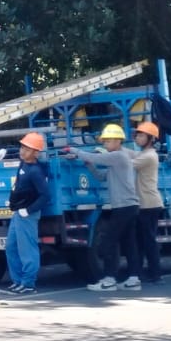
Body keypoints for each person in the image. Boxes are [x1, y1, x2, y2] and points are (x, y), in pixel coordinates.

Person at [63, 123, 141, 292]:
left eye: (107, 141)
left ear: (117, 141)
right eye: (104, 141)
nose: (105, 144)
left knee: (108, 241)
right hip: (128, 206)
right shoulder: (116, 162)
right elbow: (100, 176)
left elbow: (97, 158)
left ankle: (109, 280)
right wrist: (87, 164)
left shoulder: (119, 156)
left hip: (124, 207)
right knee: (129, 243)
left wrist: (75, 151)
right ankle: (133, 279)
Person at [2, 131, 51, 295]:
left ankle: (28, 284)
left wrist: (28, 210)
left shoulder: (35, 171)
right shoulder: (23, 164)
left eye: (27, 149)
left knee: (27, 250)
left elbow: (45, 196)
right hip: (18, 213)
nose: (23, 151)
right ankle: (18, 281)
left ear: (36, 152)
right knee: (11, 247)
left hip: (28, 215)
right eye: (22, 147)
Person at [130, 122, 164, 284]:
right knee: (142, 240)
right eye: (137, 134)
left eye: (141, 135)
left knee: (148, 240)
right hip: (146, 203)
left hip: (148, 203)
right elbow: (132, 154)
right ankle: (144, 272)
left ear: (150, 139)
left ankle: (155, 274)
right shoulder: (145, 153)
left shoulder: (149, 156)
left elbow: (127, 164)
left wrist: (112, 155)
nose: (137, 137)